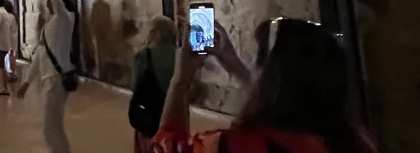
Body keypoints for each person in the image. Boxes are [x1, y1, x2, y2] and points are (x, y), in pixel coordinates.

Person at [152, 17, 378, 153]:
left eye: (257, 61)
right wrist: (235, 65)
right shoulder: (357, 142)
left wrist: (180, 79)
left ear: (271, 77)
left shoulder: (237, 146)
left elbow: (168, 147)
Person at [16, 0, 75, 153]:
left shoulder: (66, 19)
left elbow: (57, 1)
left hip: (57, 79)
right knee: (52, 125)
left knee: (51, 127)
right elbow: (41, 53)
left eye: (51, 0)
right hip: (49, 79)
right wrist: (26, 82)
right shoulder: (51, 25)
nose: (49, 2)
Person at [130, 16, 178, 153]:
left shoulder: (144, 55)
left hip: (150, 113)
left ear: (155, 32)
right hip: (174, 112)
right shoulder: (179, 55)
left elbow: (136, 85)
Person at [3, 0, 22, 83]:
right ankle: (11, 74)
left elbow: (7, 28)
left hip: (10, 39)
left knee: (10, 59)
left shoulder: (9, 17)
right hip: (13, 38)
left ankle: (11, 75)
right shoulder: (13, 16)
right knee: (12, 58)